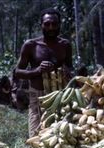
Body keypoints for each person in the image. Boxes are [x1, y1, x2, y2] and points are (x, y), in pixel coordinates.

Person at [14, 8, 73, 137]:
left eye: (54, 24)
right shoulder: (31, 45)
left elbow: (70, 67)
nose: (51, 27)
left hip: (60, 96)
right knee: (35, 137)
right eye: (47, 24)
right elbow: (17, 72)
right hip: (38, 96)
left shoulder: (65, 45)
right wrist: (37, 70)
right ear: (41, 25)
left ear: (59, 25)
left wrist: (68, 72)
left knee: (59, 137)